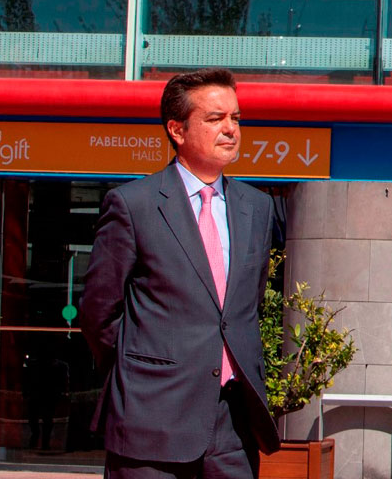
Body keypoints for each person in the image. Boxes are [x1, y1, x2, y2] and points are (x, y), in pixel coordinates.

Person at [79, 68, 281, 479]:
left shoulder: (257, 208)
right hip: (151, 420)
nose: (230, 129)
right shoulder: (133, 204)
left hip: (233, 425)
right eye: (215, 119)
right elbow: (98, 313)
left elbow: (245, 307)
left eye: (236, 118)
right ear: (177, 129)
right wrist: (144, 371)